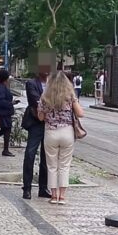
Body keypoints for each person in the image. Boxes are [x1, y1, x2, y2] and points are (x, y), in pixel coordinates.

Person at [38, 71, 84, 205]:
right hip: (67, 132)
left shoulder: (45, 96)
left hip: (51, 132)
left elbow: (40, 117)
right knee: (64, 165)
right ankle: (62, 196)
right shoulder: (70, 96)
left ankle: (53, 196)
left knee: (51, 165)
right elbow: (80, 113)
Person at [21, 66, 51, 200]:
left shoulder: (53, 84)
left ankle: (43, 188)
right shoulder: (31, 84)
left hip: (50, 124)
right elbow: (35, 101)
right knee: (30, 154)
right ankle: (27, 187)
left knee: (46, 157)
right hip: (36, 123)